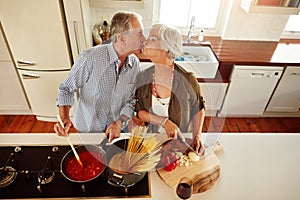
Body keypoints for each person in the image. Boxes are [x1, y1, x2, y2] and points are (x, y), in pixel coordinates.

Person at [54, 11, 145, 142]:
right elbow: (66, 89)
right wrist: (64, 118)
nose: (144, 39)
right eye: (139, 34)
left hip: (115, 133)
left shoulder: (135, 64)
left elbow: (130, 101)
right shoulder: (90, 58)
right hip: (87, 132)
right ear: (121, 38)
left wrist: (119, 123)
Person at [135, 24, 205, 153]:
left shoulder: (188, 80)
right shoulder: (143, 78)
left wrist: (197, 137)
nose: (145, 41)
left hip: (179, 144)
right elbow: (139, 112)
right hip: (152, 141)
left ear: (166, 48)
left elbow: (198, 109)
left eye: (153, 38)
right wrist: (164, 122)